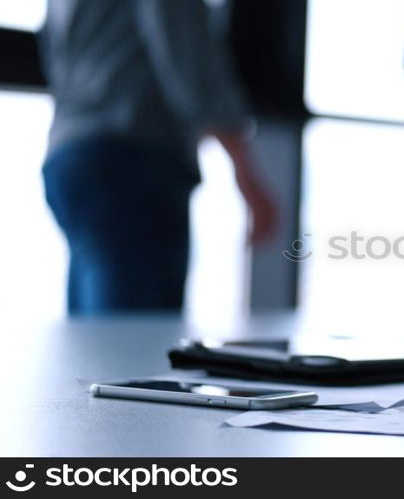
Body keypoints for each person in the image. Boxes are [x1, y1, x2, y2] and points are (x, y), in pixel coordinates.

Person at [39, 0, 276, 316]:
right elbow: (189, 59)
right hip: (131, 161)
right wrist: (246, 174)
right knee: (131, 349)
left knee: (95, 338)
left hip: (72, 156)